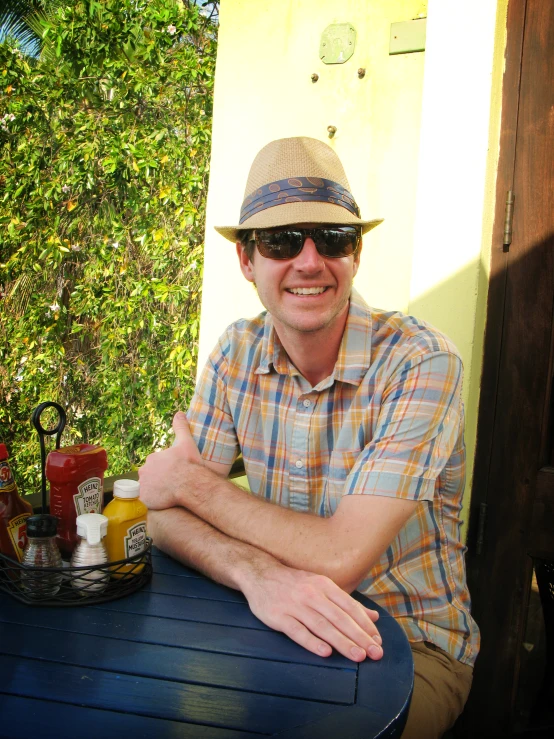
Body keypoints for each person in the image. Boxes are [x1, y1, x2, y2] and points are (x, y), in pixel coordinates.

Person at [138, 136, 480, 738]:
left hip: (404, 643)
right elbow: (162, 517)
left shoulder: (420, 362)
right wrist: (255, 574)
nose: (310, 260)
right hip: (267, 621)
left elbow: (340, 559)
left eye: (335, 239)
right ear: (247, 261)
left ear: (357, 254)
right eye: (281, 240)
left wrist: (191, 483)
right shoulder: (235, 353)